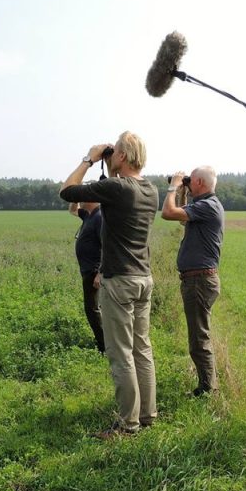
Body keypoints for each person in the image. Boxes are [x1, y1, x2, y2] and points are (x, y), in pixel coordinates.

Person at [59, 131, 159, 438]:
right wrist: (111, 164)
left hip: (120, 280)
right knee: (142, 349)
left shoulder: (117, 187)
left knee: (121, 353)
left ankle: (128, 424)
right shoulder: (151, 189)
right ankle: (147, 414)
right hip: (143, 278)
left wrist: (90, 158)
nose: (110, 156)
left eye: (115, 152)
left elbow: (67, 192)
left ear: (124, 157)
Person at [161, 166, 225, 396]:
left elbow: (168, 213)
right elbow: (181, 218)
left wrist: (173, 186)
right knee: (198, 336)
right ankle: (207, 385)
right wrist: (184, 190)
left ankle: (208, 389)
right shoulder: (205, 205)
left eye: (190, 180)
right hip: (199, 279)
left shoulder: (208, 206)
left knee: (199, 338)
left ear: (198, 181)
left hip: (199, 280)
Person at [68, 200, 105, 353]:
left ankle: (104, 346)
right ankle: (105, 343)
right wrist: (74, 197)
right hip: (87, 270)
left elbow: (106, 245)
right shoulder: (88, 215)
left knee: (92, 309)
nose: (81, 200)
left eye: (83, 196)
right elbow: (72, 210)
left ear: (91, 199)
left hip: (94, 272)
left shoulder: (99, 217)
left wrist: (100, 273)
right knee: (94, 309)